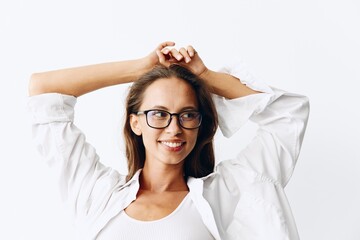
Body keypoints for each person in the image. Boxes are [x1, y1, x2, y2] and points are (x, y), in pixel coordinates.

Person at [28, 41, 310, 240]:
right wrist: (140, 68)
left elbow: (288, 114)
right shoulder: (95, 193)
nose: (174, 128)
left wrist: (204, 77)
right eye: (159, 114)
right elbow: (44, 90)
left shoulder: (227, 195)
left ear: (200, 124)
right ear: (135, 122)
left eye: (187, 115)